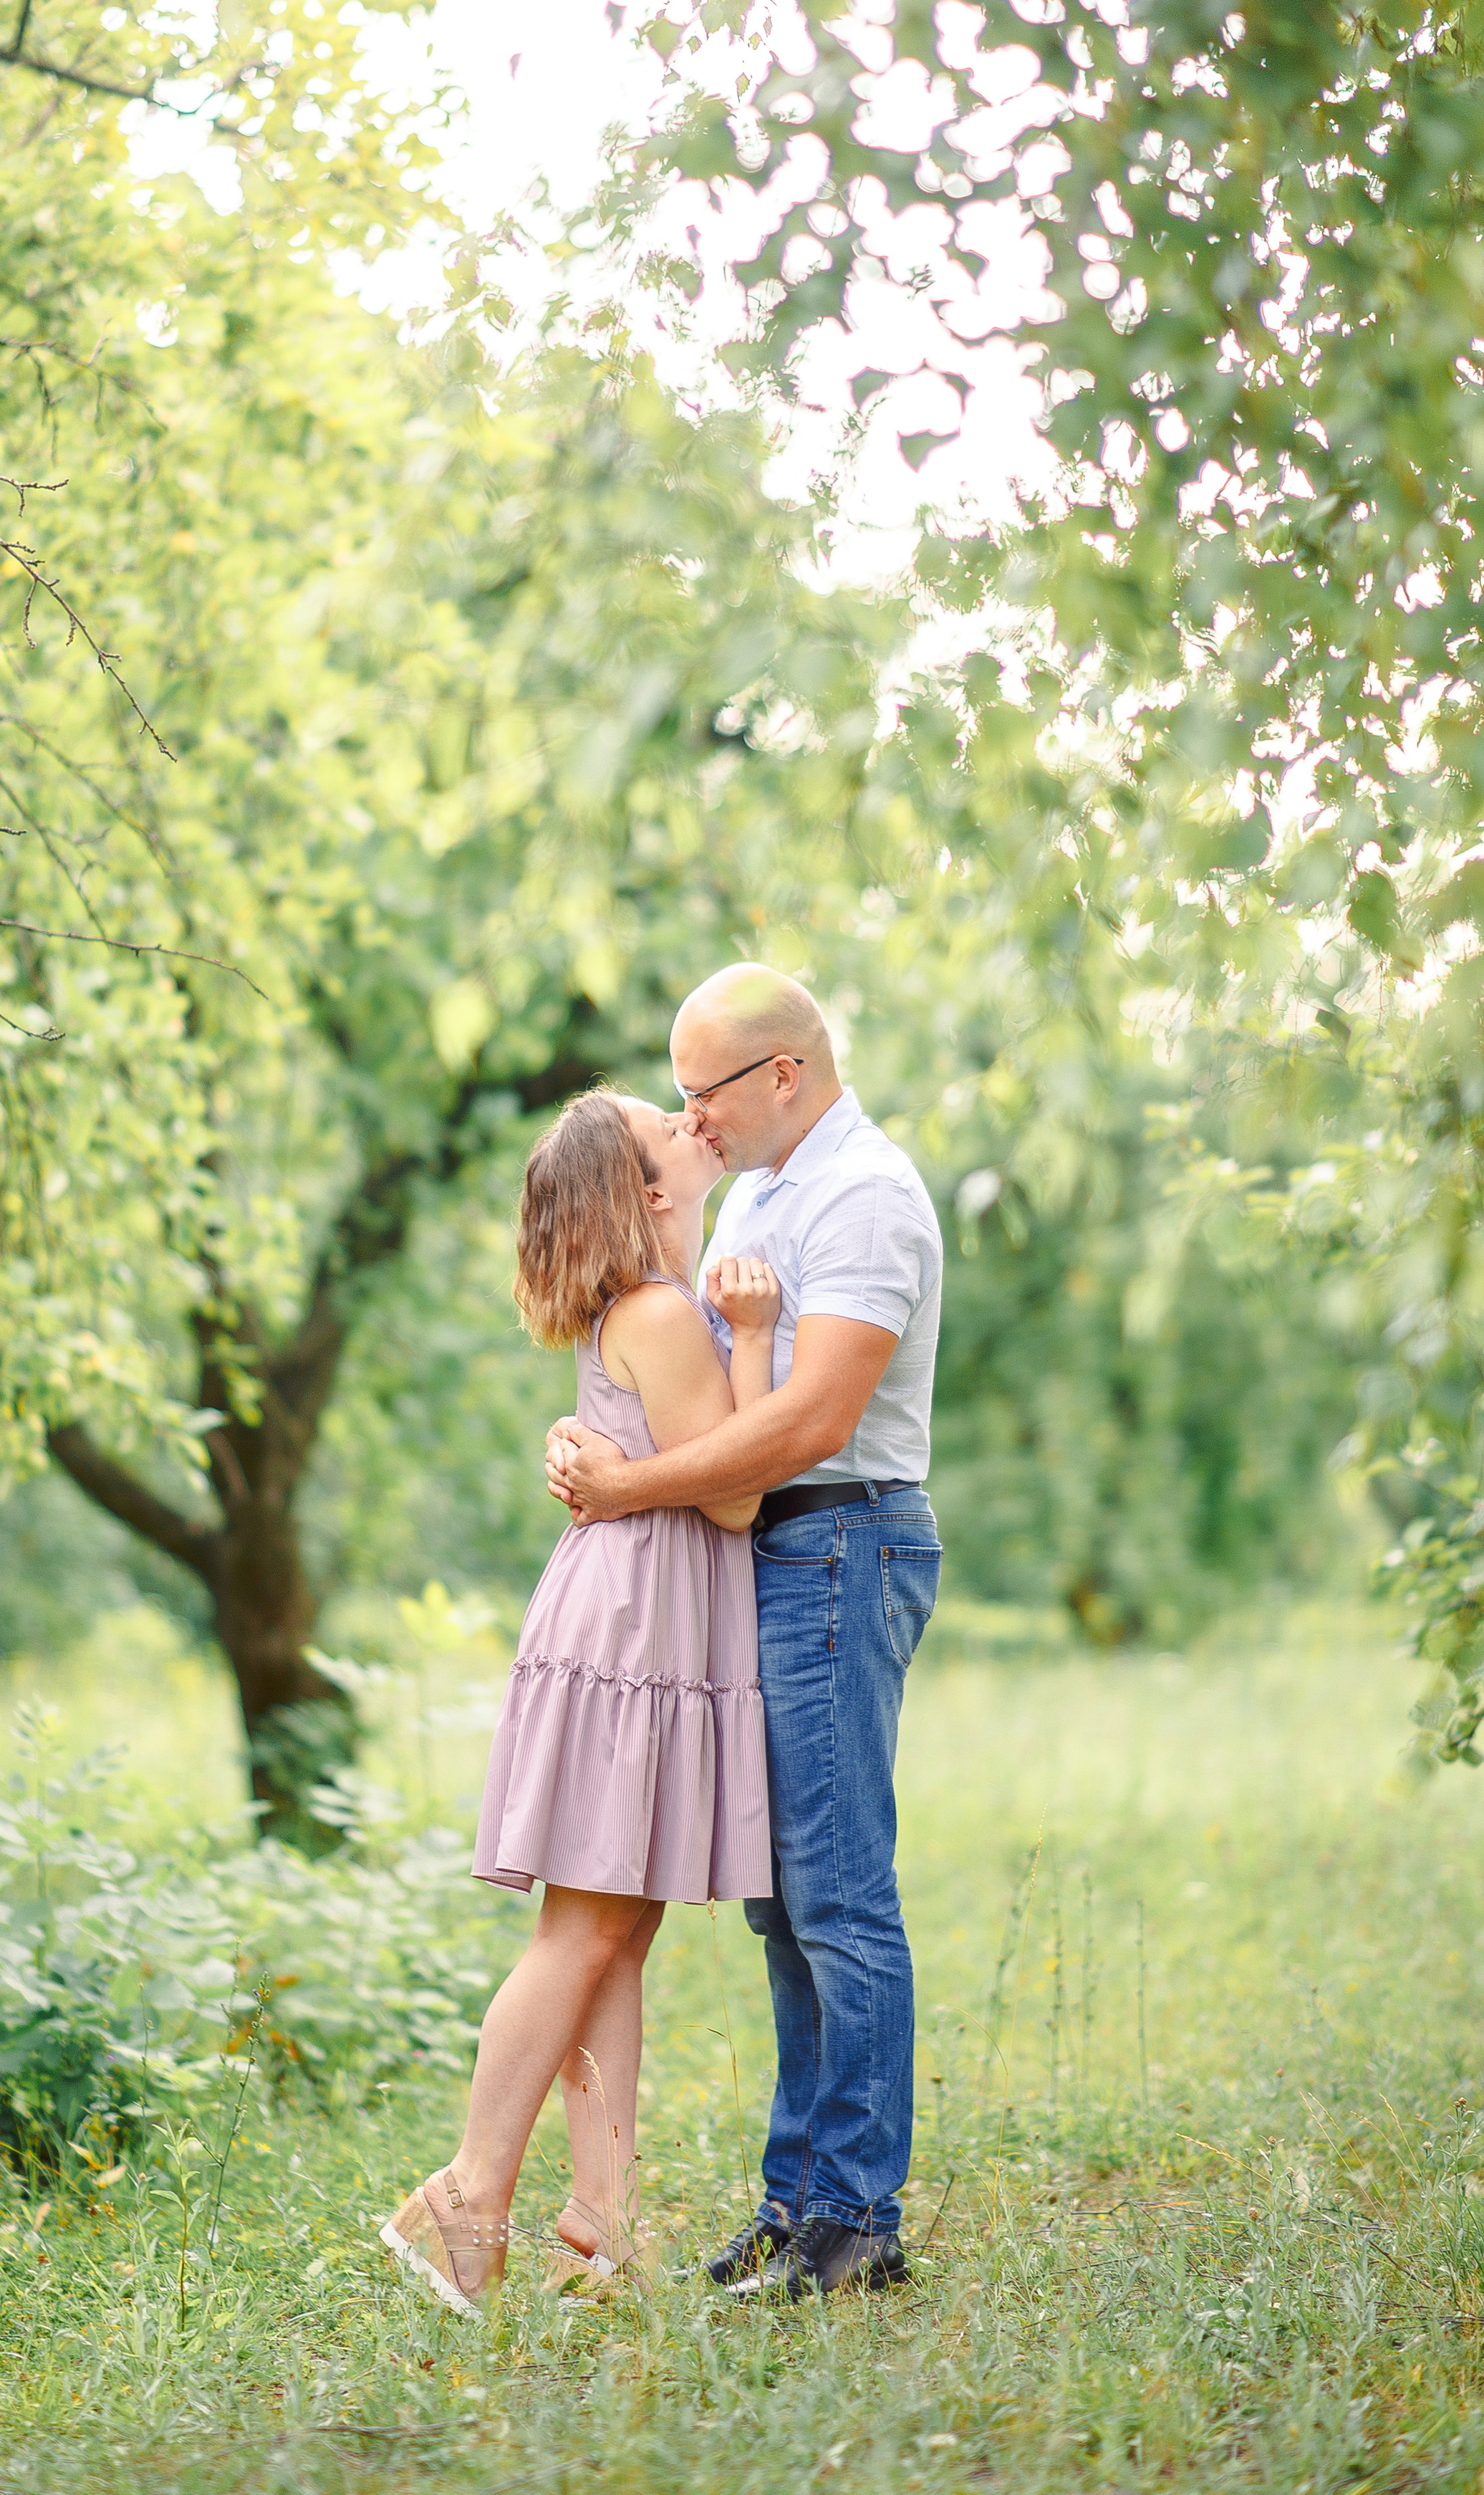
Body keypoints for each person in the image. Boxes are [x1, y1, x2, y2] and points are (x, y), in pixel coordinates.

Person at [546, 965, 944, 2302]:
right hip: (767, 1552)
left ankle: (857, 2218)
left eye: (700, 1089)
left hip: (840, 1538)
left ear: (782, 1073)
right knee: (784, 1904)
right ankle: (796, 2205)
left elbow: (809, 1422)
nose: (689, 1117)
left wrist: (625, 1486)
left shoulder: (867, 1197)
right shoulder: (769, 1190)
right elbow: (706, 1391)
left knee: (837, 1894)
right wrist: (595, 1428)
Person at [379, 1087, 781, 2314]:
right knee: (582, 1929)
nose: (687, 1118)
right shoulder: (663, 1313)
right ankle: (466, 2194)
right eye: (667, 1124)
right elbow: (736, 1497)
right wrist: (755, 1335)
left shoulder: (642, 1307)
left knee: (619, 1928)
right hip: (635, 1626)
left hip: (639, 1617)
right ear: (650, 1193)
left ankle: (600, 2221)